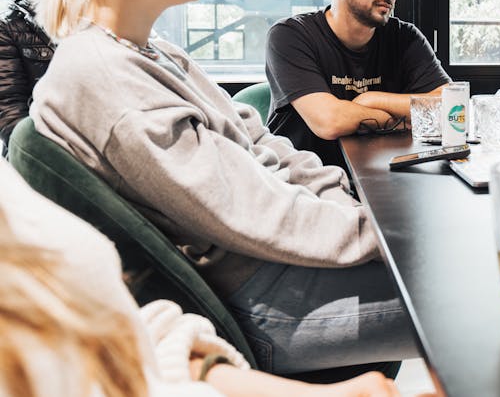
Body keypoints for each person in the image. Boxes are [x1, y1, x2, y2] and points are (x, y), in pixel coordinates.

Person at [31, 0, 416, 375]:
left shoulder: (158, 53)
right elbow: (252, 212)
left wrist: (356, 213)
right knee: (483, 290)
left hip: (286, 263)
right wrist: (389, 237)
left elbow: (264, 145)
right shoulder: (102, 76)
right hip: (269, 300)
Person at [0, 158, 407, 397]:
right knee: (454, 304)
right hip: (269, 296)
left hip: (214, 346)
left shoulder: (14, 202)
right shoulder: (97, 75)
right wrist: (377, 232)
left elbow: (135, 341)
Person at [266, 0, 450, 168]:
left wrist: (371, 99)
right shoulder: (291, 35)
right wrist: (406, 119)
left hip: (382, 171)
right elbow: (330, 121)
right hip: (303, 179)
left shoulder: (405, 37)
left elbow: (452, 107)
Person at [0, 0, 66, 148]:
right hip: (42, 155)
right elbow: (9, 109)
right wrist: (45, 158)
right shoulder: (11, 26)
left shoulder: (102, 16)